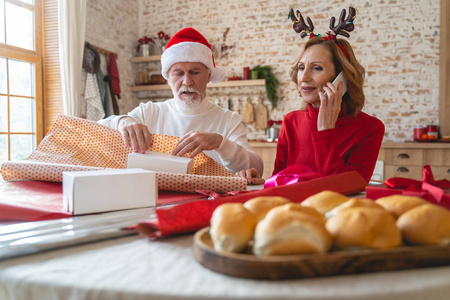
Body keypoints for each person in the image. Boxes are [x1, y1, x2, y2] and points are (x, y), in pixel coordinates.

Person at [237, 7, 384, 184]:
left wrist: (326, 131)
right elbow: (282, 183)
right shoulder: (290, 122)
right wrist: (262, 182)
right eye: (301, 68)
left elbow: (346, 188)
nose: (304, 78)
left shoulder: (370, 129)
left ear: (341, 79)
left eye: (316, 68)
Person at [99, 27, 263, 175]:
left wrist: (220, 143)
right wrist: (122, 121)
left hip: (209, 204)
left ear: (208, 77)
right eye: (178, 73)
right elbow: (97, 131)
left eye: (194, 72)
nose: (187, 81)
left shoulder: (229, 120)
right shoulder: (148, 112)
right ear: (168, 79)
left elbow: (257, 168)